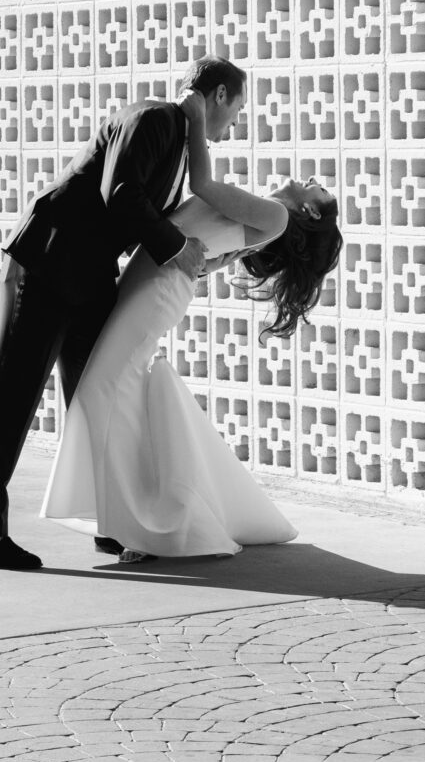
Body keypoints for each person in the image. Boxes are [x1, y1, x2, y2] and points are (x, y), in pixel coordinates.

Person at [0, 58, 247, 571]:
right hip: (49, 262)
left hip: (89, 279)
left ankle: (110, 520)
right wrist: (178, 248)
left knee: (96, 399)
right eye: (238, 110)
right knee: (14, 394)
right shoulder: (155, 118)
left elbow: (145, 216)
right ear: (219, 95)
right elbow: (121, 195)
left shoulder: (179, 143)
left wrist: (204, 256)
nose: (235, 125)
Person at [42, 165, 342, 560]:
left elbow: (201, 184)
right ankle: (125, 516)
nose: (308, 181)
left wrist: (196, 115)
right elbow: (209, 257)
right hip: (149, 281)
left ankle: (141, 523)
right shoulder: (266, 214)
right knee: (111, 391)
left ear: (313, 212)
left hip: (158, 290)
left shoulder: (277, 215)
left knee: (101, 389)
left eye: (316, 188)